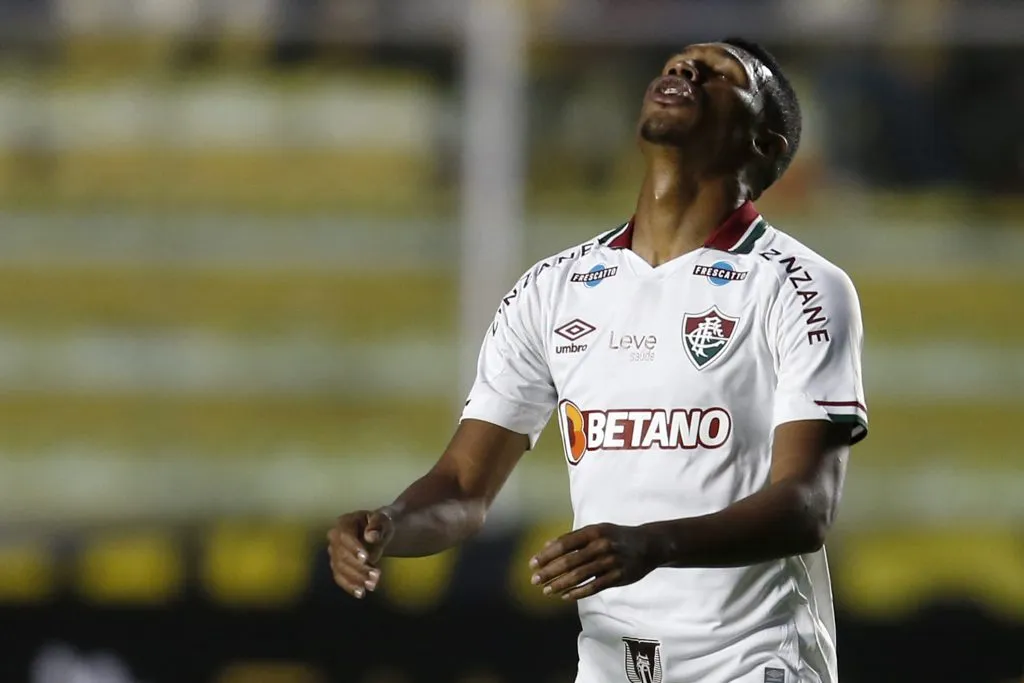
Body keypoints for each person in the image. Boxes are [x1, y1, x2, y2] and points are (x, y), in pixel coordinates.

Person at [328, 37, 867, 683]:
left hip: (754, 662)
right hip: (613, 665)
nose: (686, 69)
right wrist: (390, 524)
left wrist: (652, 543)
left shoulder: (801, 285)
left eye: (722, 73)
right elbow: (464, 488)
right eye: (676, 64)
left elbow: (807, 507)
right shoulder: (552, 289)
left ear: (765, 143)